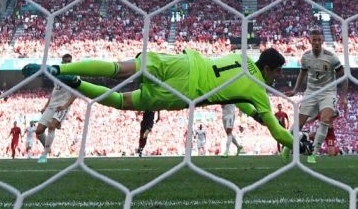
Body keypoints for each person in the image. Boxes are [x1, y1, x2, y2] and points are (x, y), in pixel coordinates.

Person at [22, 48, 294, 156]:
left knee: (117, 67)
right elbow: (277, 131)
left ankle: (60, 70)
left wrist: (253, 113)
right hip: (184, 90)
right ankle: (80, 86)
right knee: (120, 100)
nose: (277, 78)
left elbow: (237, 95)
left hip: (182, 61)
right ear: (269, 69)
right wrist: (299, 143)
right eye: (277, 73)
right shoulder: (257, 91)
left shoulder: (243, 56)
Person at [286, 29, 348, 164]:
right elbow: (302, 74)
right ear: (310, 41)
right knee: (299, 123)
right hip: (311, 92)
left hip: (328, 92)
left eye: (319, 40)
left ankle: (313, 153)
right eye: (314, 40)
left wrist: (343, 97)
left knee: (325, 119)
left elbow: (343, 76)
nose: (317, 43)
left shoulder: (331, 57)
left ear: (322, 41)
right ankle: (287, 146)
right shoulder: (305, 57)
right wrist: (296, 90)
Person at [35, 53, 78, 163]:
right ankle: (48, 147)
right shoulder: (57, 74)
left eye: (69, 61)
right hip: (51, 105)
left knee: (52, 126)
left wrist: (65, 106)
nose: (68, 63)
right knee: (38, 130)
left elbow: (75, 94)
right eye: (66, 61)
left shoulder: (75, 76)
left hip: (62, 106)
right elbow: (55, 92)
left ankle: (44, 155)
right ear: (62, 62)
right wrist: (45, 106)